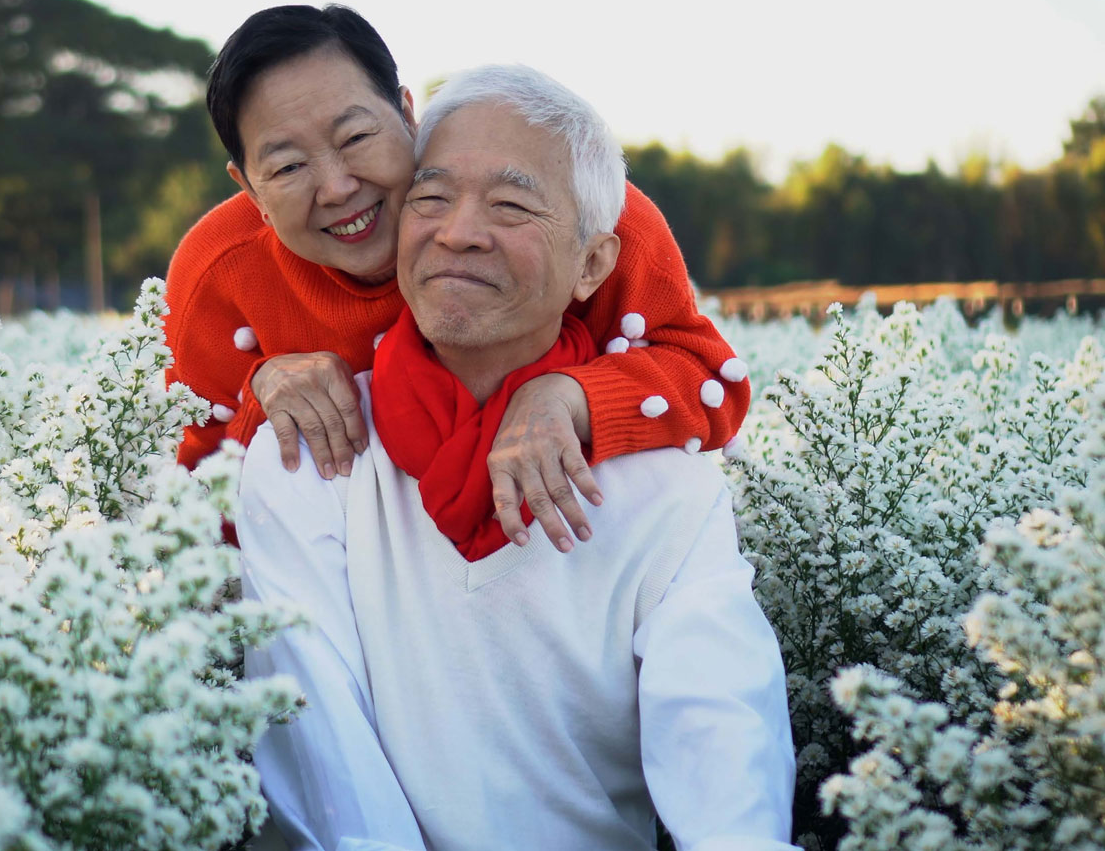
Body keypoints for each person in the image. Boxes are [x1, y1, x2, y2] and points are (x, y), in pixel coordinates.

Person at [238, 65, 796, 851]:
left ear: (594, 265)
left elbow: (719, 724)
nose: (459, 231)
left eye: (511, 205)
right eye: (429, 198)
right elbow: (317, 740)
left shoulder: (666, 482)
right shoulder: (312, 453)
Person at [164, 4, 752, 550]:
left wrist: (568, 396)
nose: (338, 187)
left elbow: (712, 382)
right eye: (288, 166)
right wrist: (262, 395)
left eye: (357, 138)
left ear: (406, 113)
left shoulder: (575, 212)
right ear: (249, 188)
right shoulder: (220, 270)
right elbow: (190, 503)